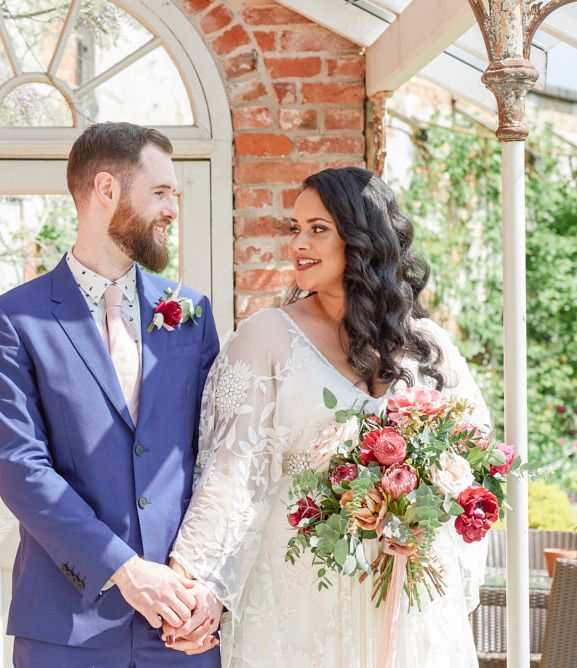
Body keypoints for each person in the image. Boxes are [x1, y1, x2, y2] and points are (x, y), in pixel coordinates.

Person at [166, 167, 491, 667]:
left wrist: (419, 515)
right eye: (295, 228)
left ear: (363, 239)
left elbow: (475, 462)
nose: (299, 243)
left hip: (403, 597)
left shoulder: (429, 347)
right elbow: (232, 474)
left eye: (318, 229)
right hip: (299, 598)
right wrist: (199, 584)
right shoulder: (267, 338)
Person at [0, 122, 221, 666]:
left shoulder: (191, 314)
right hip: (66, 627)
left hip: (183, 622)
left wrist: (212, 582)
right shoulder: (16, 319)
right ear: (106, 190)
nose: (173, 209)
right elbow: (20, 466)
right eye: (161, 193)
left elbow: (217, 460)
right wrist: (124, 569)